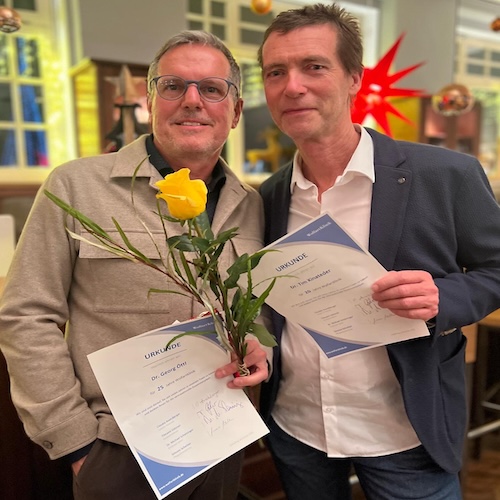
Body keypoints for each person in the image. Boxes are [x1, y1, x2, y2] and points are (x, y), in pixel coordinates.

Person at [0, 31, 269, 500]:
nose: (192, 100)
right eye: (173, 86)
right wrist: (75, 442)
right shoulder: (76, 187)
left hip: (222, 437)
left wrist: (259, 348)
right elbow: (26, 315)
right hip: (117, 449)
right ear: (150, 101)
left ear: (236, 111)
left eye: (211, 88)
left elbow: (257, 310)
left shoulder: (251, 205)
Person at [257, 4, 500, 500]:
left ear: (354, 79)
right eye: (275, 72)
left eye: (314, 66)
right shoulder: (269, 195)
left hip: (405, 430)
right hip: (297, 425)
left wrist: (444, 298)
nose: (292, 86)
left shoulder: (445, 175)